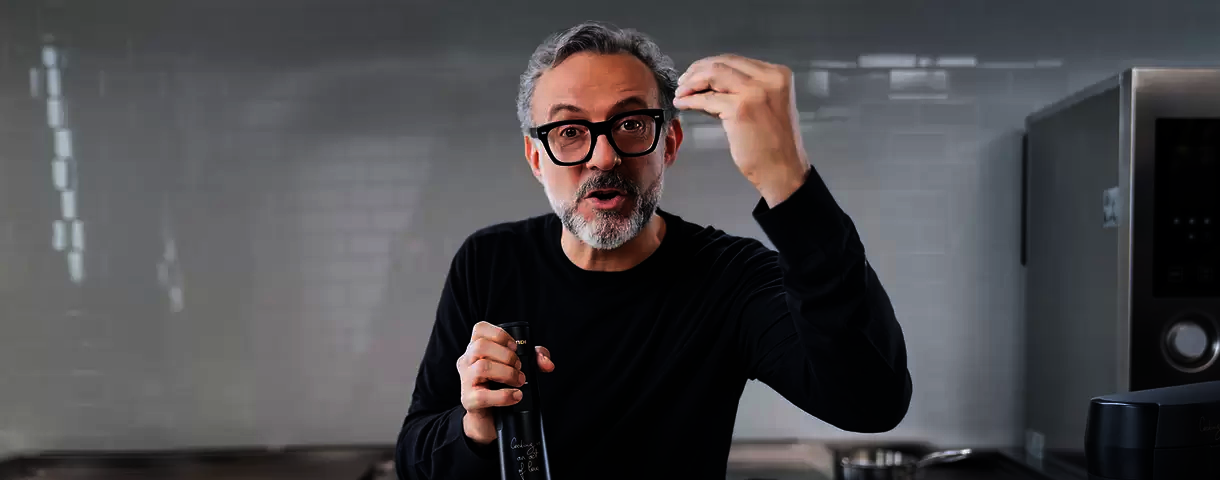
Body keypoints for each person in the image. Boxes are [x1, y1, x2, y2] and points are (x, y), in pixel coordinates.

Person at [395, 21, 912, 480]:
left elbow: (872, 401)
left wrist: (790, 183)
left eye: (631, 124)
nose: (604, 155)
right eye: (570, 131)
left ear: (669, 144)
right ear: (536, 157)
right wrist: (475, 427)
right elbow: (413, 458)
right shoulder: (489, 261)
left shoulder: (732, 278)